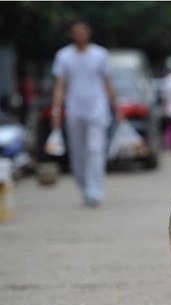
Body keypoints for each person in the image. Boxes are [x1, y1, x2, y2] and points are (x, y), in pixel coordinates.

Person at [51, 19, 123, 207]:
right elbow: (60, 85)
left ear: (88, 33)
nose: (80, 35)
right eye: (76, 31)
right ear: (72, 34)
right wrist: (56, 109)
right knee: (78, 154)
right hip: (74, 110)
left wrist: (116, 108)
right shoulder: (63, 56)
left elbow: (108, 83)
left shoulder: (100, 54)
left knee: (95, 150)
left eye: (83, 31)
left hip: (97, 110)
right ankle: (84, 188)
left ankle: (95, 191)